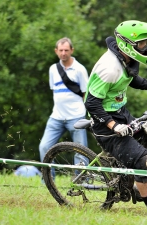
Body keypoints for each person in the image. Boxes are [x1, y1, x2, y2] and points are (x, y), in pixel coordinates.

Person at [84, 20, 147, 215]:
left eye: (146, 43)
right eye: (141, 44)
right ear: (126, 44)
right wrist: (114, 126)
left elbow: (131, 77)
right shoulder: (109, 67)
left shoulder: (126, 60)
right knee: (144, 159)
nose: (145, 47)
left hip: (121, 112)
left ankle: (135, 184)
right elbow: (91, 103)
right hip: (104, 122)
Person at [39, 37, 89, 173]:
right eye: (60, 50)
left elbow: (86, 93)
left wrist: (89, 114)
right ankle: (48, 181)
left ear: (72, 50)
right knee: (44, 147)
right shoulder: (53, 69)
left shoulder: (80, 69)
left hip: (76, 116)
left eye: (66, 50)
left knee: (81, 151)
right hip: (57, 117)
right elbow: (55, 91)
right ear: (56, 51)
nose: (63, 53)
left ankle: (82, 181)